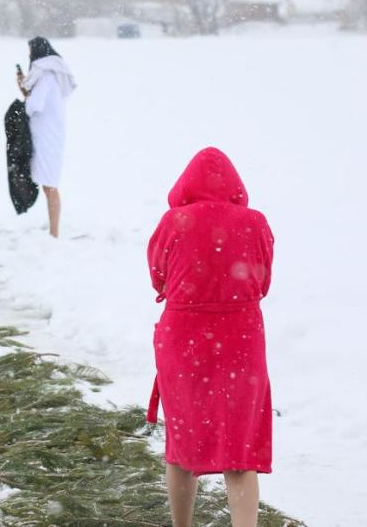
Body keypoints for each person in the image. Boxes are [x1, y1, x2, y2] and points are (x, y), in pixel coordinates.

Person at [146, 147, 275, 527]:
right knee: (241, 450)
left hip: (184, 340)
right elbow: (263, 280)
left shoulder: (174, 221)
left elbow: (158, 277)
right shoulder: (255, 222)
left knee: (182, 445)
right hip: (241, 340)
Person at [17, 36, 76, 238]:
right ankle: (54, 230)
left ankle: (55, 232)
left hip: (46, 139)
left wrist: (24, 96)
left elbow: (34, 105)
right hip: (51, 136)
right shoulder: (50, 75)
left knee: (50, 185)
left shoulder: (46, 76)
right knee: (48, 185)